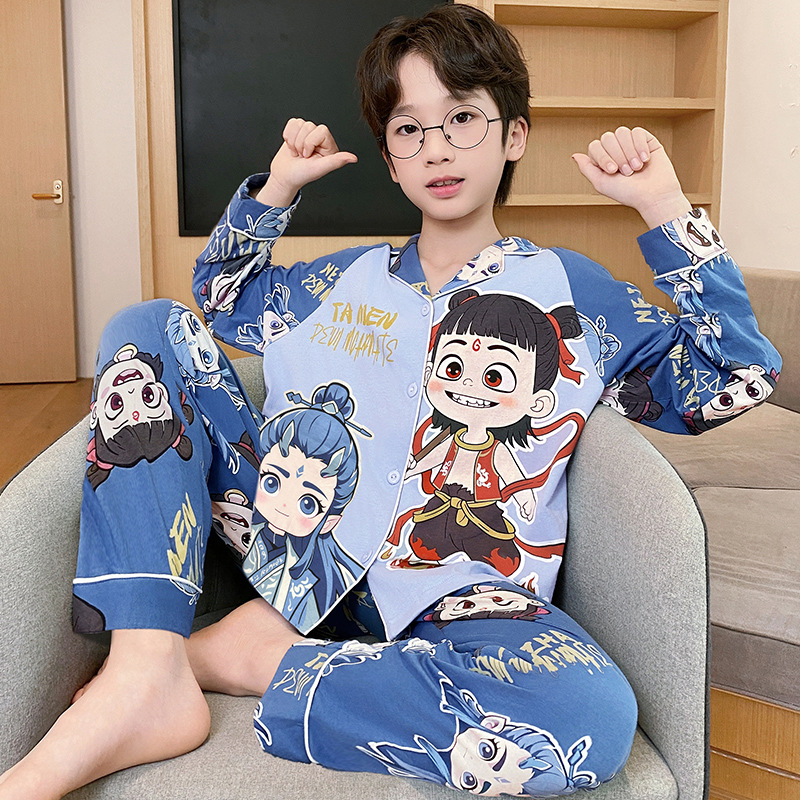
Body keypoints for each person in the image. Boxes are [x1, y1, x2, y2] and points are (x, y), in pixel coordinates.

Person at [0, 5, 781, 799]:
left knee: (589, 716)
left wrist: (664, 208)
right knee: (146, 327)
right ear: (390, 159)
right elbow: (221, 296)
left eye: (463, 118)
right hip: (294, 546)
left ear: (514, 135)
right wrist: (279, 185)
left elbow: (732, 379)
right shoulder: (337, 279)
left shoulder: (574, 295)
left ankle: (252, 659)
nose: (436, 147)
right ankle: (145, 669)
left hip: (463, 602)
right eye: (409, 129)